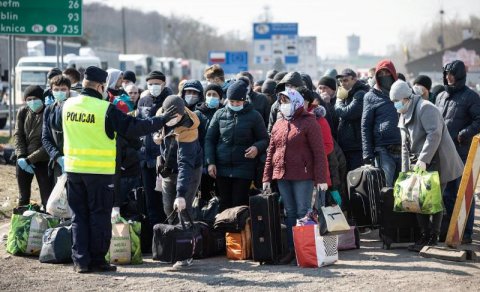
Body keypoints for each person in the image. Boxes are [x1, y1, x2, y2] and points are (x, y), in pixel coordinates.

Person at [54, 66, 178, 273]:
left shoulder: (66, 105)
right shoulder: (105, 109)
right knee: (99, 216)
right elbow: (135, 127)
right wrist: (162, 120)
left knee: (79, 216)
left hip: (74, 169)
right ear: (101, 86)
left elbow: (56, 127)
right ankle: (97, 260)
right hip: (99, 172)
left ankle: (80, 261)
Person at [390, 80, 464, 251]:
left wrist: (423, 159)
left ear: (407, 98)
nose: (396, 105)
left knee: (434, 198)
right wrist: (405, 172)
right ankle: (424, 234)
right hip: (419, 162)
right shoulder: (403, 112)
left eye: (397, 101)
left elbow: (434, 134)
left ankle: (433, 236)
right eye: (393, 102)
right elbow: (405, 145)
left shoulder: (425, 107)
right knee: (416, 197)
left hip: (438, 159)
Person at [263, 88, 329, 265]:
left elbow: (319, 152)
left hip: (303, 175)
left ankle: (305, 251)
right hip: (283, 174)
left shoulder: (309, 122)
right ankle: (292, 250)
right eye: (282, 102)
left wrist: (321, 178)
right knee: (289, 212)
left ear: (297, 102)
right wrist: (266, 177)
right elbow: (271, 151)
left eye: (287, 101)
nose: (284, 105)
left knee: (303, 212)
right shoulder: (278, 123)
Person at [153, 95, 203, 268]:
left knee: (183, 208)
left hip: (189, 170)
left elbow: (185, 165)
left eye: (177, 117)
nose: (174, 120)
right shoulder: (161, 114)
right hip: (168, 169)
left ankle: (185, 254)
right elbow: (157, 131)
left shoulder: (190, 128)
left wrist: (181, 194)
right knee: (168, 208)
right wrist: (157, 137)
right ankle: (174, 248)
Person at [205, 80, 268, 211]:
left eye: (238, 102)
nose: (234, 105)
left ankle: (240, 232)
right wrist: (211, 162)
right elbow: (210, 139)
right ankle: (224, 232)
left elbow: (264, 139)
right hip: (222, 169)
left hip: (244, 169)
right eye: (231, 102)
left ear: (244, 101)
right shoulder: (219, 114)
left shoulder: (254, 116)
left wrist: (257, 147)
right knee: (224, 205)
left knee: (239, 206)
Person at [435, 60, 480, 244]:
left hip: (462, 152)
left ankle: (467, 233)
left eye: (452, 74)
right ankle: (450, 231)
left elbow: (479, 120)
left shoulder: (471, 97)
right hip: (444, 153)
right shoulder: (440, 96)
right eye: (446, 74)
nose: (448, 77)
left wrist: (464, 134)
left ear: (460, 75)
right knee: (446, 195)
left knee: (463, 194)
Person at [136, 70, 173, 227]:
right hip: (145, 157)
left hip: (164, 158)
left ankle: (169, 232)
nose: (153, 87)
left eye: (157, 84)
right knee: (150, 200)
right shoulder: (143, 101)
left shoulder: (171, 100)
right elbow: (138, 125)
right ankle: (155, 236)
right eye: (150, 84)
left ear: (164, 84)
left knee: (166, 199)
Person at [361, 60, 402, 187]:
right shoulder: (370, 96)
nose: (384, 76)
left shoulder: (402, 91)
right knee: (385, 188)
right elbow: (365, 125)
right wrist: (367, 153)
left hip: (404, 148)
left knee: (404, 187)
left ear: (393, 74)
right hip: (383, 149)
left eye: (387, 73)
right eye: (381, 73)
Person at [14, 85, 53, 208]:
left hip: (43, 161)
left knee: (47, 198)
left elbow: (48, 143)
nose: (32, 102)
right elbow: (18, 135)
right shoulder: (23, 112)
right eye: (28, 99)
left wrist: (29, 160)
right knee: (23, 197)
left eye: (35, 98)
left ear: (42, 98)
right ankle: (22, 222)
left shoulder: (49, 112)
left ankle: (47, 223)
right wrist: (21, 155)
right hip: (23, 160)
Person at [42, 75, 77, 183]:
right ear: (51, 91)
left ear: (69, 90)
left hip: (75, 160)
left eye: (63, 89)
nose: (60, 92)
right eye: (56, 89)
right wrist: (57, 157)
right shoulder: (49, 109)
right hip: (57, 161)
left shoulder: (75, 108)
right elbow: (45, 137)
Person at [334, 68, 369, 171]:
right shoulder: (347, 94)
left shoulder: (360, 94)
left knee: (356, 178)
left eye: (345, 80)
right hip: (348, 145)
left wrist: (338, 101)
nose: (342, 84)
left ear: (354, 79)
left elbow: (346, 113)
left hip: (356, 146)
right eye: (340, 81)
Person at [194, 84, 223, 205]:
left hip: (221, 160)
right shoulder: (197, 114)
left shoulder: (224, 113)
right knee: (204, 196)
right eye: (209, 95)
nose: (211, 97)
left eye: (214, 95)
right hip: (203, 162)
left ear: (220, 97)